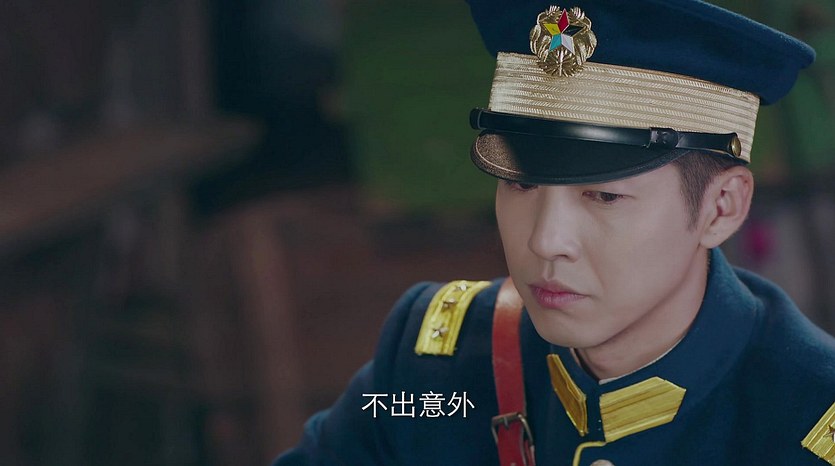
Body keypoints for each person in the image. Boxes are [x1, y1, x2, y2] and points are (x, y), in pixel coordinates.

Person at [273, 0, 835, 464]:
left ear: (721, 208)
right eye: (520, 184)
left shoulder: (804, 419)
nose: (545, 241)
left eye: (604, 196)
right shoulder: (434, 376)